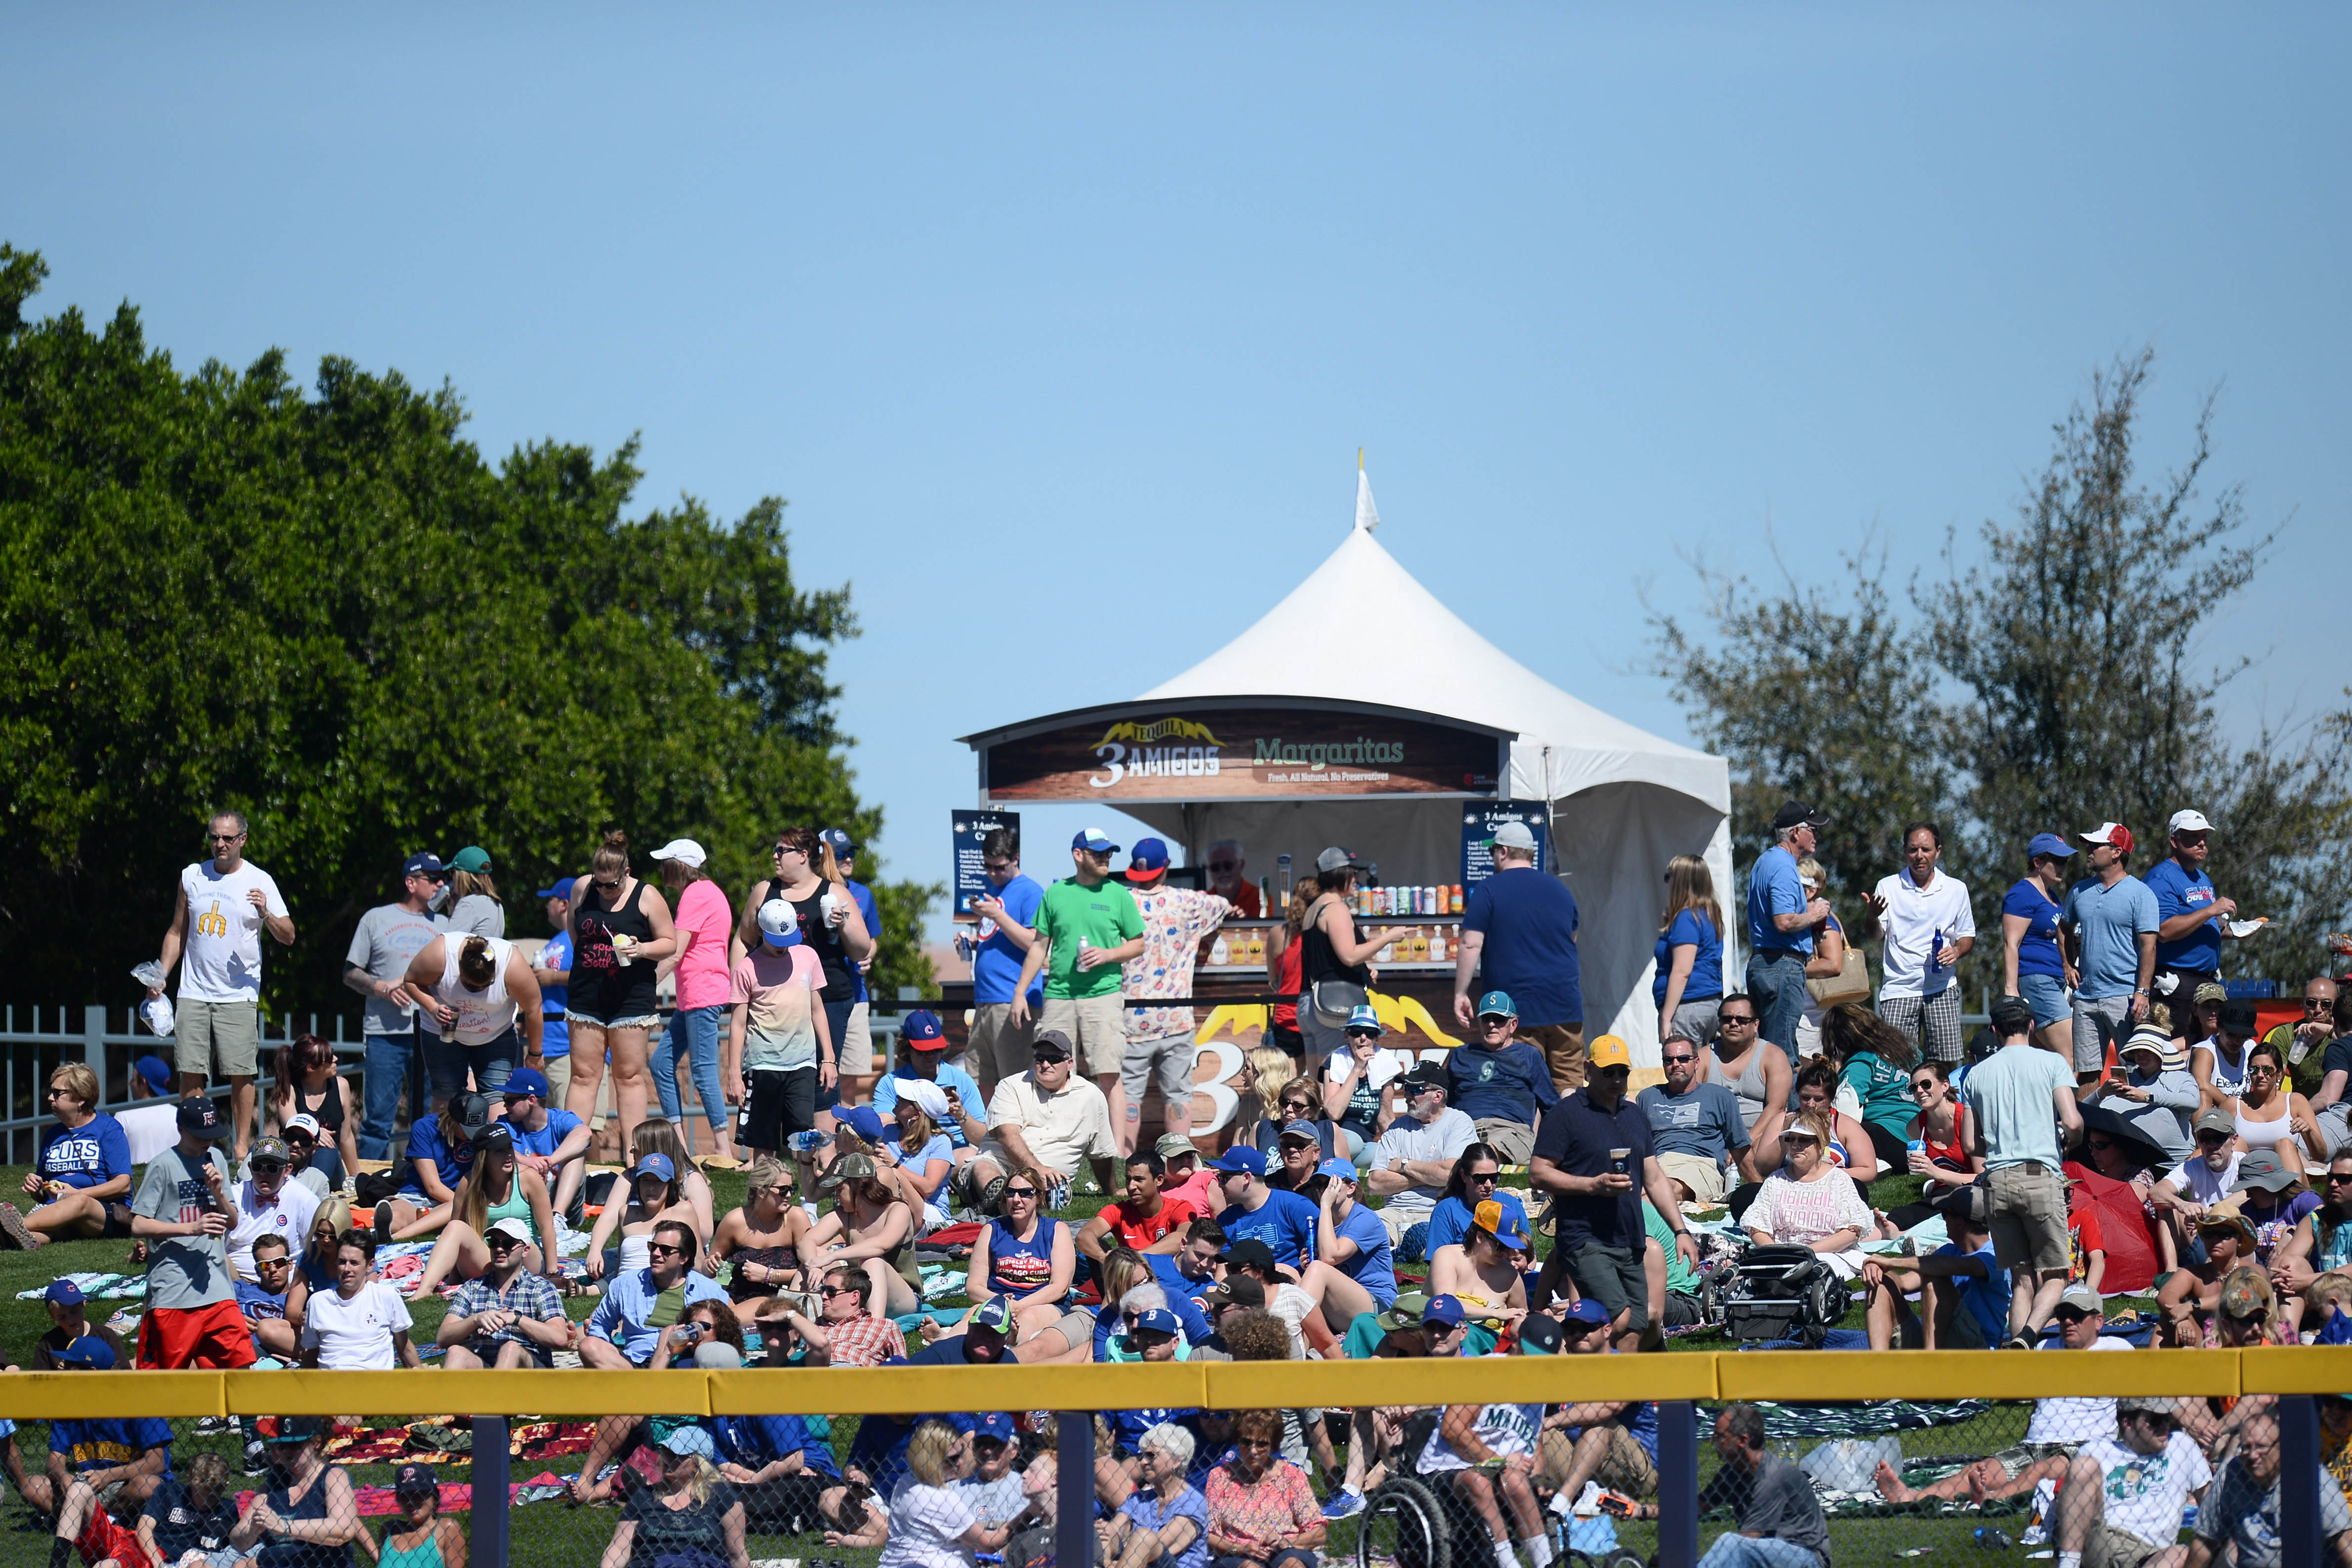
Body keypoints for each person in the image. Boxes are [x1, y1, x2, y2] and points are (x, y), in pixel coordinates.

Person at [1529, 1034, 1699, 1352]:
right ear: (1588, 1070)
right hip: (1584, 1238)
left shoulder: (1634, 1116)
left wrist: (1681, 1230)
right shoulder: (1566, 1114)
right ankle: (1566, 1371)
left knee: (1637, 1322)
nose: (1617, 1079)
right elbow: (1538, 1173)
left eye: (1622, 1072)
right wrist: (1591, 1185)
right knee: (1618, 1317)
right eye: (1609, 1072)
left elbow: (1656, 1179)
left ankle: (1624, 1396)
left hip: (1629, 1239)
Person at [150, 810, 295, 1165]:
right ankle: (195, 1146)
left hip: (238, 994)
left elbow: (289, 935)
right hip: (194, 990)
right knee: (191, 1069)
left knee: (240, 1071)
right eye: (215, 837)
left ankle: (241, 1149)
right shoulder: (192, 876)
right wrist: (161, 973)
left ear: (243, 840)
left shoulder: (259, 880)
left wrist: (265, 913)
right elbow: (176, 931)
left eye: (228, 839)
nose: (220, 845)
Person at [1962, 994, 2083, 1348]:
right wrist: (2069, 1141)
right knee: (2057, 1275)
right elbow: (2073, 1120)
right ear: (2032, 1026)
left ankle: (2018, 1361)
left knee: (2021, 1279)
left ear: (1995, 1030)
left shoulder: (1976, 1075)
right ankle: (2028, 1337)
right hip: (2038, 1175)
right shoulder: (2052, 1063)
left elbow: (1971, 1144)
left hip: (1997, 1181)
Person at [1008, 827, 1147, 1133]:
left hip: (1104, 995)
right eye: (1099, 853)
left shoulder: (1118, 893)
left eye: (1109, 853)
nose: (1106, 859)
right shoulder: (1055, 893)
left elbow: (1138, 944)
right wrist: (1020, 992)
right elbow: (1038, 946)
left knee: (1109, 1075)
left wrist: (1108, 954)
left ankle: (1116, 1157)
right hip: (1059, 994)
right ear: (1078, 855)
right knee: (1049, 1073)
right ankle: (1051, 1145)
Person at [565, 831, 680, 1160]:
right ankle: (571, 1158)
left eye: (611, 885)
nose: (603, 891)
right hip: (586, 996)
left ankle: (635, 1158)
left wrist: (641, 948)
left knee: (628, 1077)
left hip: (631, 998)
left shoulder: (647, 896)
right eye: (599, 884)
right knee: (584, 1077)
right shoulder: (582, 889)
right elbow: (577, 932)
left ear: (626, 873)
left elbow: (669, 943)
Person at [1454, 821, 1585, 1095]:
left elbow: (1470, 943)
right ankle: (1573, 1136)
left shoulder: (1488, 890)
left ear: (1503, 852)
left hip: (1516, 1009)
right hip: (1565, 1004)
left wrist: (1461, 993)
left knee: (1523, 1087)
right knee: (1570, 1089)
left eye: (1494, 853)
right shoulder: (1561, 890)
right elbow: (1571, 939)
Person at [1117, 836, 1230, 1153]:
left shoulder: (1122, 903)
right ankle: (1176, 1161)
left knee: (1129, 1097)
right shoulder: (1187, 903)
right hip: (1176, 1018)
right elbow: (1222, 905)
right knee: (1178, 1096)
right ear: (1165, 868)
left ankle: (1124, 1160)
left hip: (1131, 1020)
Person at [131, 1095, 254, 1370]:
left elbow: (232, 1221)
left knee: (241, 1364)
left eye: (211, 1135)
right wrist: (191, 1229)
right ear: (181, 1130)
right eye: (200, 1135)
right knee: (164, 1378)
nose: (206, 1142)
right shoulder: (163, 1165)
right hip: (174, 1289)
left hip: (217, 1288)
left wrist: (218, 1193)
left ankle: (243, 1415)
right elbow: (138, 1224)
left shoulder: (217, 1159)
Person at [1624, 1404, 1826, 1568]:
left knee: (1732, 1544)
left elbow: (1749, 1541)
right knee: (1665, 1563)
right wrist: (1639, 1510)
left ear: (1743, 1441)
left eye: (1719, 1436)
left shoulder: (1773, 1477)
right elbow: (1693, 1510)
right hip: (1764, 1554)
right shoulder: (1732, 1472)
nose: (1712, 1440)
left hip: (1805, 1557)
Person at [344, 853, 446, 1162]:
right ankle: (367, 1186)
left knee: (434, 1117)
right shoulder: (376, 918)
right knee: (377, 1120)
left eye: (442, 878)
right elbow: (350, 972)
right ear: (411, 883)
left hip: (432, 1031)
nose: (440, 884)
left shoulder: (446, 924)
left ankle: (430, 1178)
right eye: (432, 878)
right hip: (385, 1032)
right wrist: (380, 987)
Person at [728, 897, 836, 1163]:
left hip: (802, 1063)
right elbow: (738, 1024)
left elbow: (817, 1010)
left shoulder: (808, 956)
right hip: (763, 1064)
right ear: (762, 932)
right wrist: (733, 1074)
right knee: (763, 1141)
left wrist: (830, 1059)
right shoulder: (746, 968)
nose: (784, 947)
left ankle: (808, 1203)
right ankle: (763, 1198)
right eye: (777, 940)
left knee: (803, 1134)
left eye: (789, 939)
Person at [1857, 822, 1976, 1065]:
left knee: (1945, 1066)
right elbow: (1875, 934)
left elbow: (1968, 936)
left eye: (1926, 849)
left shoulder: (1955, 889)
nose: (1919, 856)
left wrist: (1956, 951)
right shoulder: (1888, 886)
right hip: (1899, 989)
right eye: (1913, 850)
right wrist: (1871, 916)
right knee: (1895, 1065)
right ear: (1905, 852)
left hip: (1941, 987)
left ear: (1938, 851)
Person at [962, 1031, 1120, 1211]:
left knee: (1048, 1187)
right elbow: (1007, 1135)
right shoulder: (1011, 1086)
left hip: (1051, 1180)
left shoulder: (1091, 1096)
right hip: (1001, 1166)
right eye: (1040, 1058)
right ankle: (1001, 1198)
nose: (1046, 1064)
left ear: (1070, 1064)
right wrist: (1037, 1169)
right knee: (982, 1168)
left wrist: (1112, 1190)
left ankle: (1012, 1199)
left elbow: (1101, 1153)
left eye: (1054, 1059)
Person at [2050, 1395, 2212, 1568]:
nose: (2165, 1426)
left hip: (2148, 1553)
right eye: (2155, 1420)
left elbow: (2210, 1501)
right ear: (2128, 1424)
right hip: (2098, 1538)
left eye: (2167, 1418)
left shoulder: (2181, 1446)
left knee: (2180, 1554)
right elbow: (2068, 1515)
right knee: (2084, 1466)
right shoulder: (2096, 1451)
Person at [652, 838, 738, 1162]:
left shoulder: (696, 894)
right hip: (695, 995)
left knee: (703, 1070)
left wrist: (645, 985)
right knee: (660, 1063)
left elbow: (675, 951)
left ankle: (722, 1148)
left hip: (703, 992)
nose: (661, 869)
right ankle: (680, 1146)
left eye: (666, 862)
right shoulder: (704, 892)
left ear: (681, 867)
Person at [410, 1122, 560, 1297]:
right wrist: (454, 1277)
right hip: (488, 1259)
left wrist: (552, 1272)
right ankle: (425, 1290)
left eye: (509, 1148)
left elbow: (547, 1227)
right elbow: (456, 1236)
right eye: (499, 1151)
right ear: (484, 1157)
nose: (508, 1155)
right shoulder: (469, 1184)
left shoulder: (529, 1179)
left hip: (525, 1258)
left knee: (518, 1236)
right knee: (455, 1226)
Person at [2188, 1407, 2352, 1567]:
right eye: (2246, 1447)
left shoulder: (2312, 1479)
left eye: (2261, 1447)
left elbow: (2346, 1541)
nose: (2252, 1455)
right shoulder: (2230, 1474)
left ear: (2281, 1447)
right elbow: (2204, 1542)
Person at [2062, 822, 2161, 1085]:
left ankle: (2131, 1126)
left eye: (2096, 846)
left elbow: (2149, 946)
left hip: (2125, 997)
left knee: (2133, 1070)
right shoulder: (2079, 891)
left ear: (2117, 852)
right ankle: (2088, 1127)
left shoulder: (2141, 894)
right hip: (2085, 997)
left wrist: (2142, 992)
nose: (2090, 851)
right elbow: (2064, 928)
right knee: (2086, 1073)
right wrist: (2068, 965)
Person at [401, 925, 544, 1103]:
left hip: (496, 1036)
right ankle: (444, 1131)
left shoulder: (512, 964)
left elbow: (534, 1008)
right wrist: (433, 1007)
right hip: (443, 1035)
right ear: (459, 967)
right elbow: (410, 980)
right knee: (447, 1097)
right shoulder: (441, 954)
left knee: (498, 1097)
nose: (476, 991)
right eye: (469, 985)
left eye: (484, 986)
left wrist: (535, 1054)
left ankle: (494, 1131)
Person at [0, 1064, 132, 1250]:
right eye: (50, 1091)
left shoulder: (109, 1129)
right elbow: (43, 1195)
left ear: (81, 1098)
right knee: (45, 1232)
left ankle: (15, 1226)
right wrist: (37, 1187)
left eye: (57, 1093)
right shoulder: (52, 1135)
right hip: (59, 1211)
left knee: (80, 1202)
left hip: (100, 1211)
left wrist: (76, 1193)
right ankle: (12, 1240)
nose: (50, 1098)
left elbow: (123, 1184)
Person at [1862, 1184, 2009, 1350]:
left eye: (1945, 1215)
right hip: (1944, 1340)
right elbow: (1904, 1283)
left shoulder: (1995, 1256)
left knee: (1935, 1280)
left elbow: (1954, 1266)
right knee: (1881, 1283)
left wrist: (1891, 1262)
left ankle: (1931, 1361)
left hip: (1978, 1350)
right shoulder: (1949, 1252)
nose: (1943, 1220)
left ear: (1960, 1223)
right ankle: (1877, 1365)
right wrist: (1877, 1269)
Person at [1297, 848, 1409, 1064]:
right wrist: (1388, 937)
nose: (1357, 880)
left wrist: (1364, 969)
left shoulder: (1314, 909)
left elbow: (1326, 956)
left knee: (1315, 1085)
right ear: (1341, 875)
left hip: (1309, 1004)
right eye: (1353, 873)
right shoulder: (1335, 908)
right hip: (1332, 1007)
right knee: (1334, 1083)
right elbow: (1349, 956)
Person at [1744, 801, 1834, 1057]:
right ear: (1796, 832)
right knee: (1782, 1056)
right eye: (1813, 830)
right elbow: (1784, 921)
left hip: (1765, 963)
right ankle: (1783, 1100)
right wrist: (1814, 914)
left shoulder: (1765, 861)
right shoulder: (1784, 866)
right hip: (1782, 967)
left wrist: (1808, 928)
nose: (1817, 836)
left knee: (1767, 1052)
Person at [2147, 809, 2246, 1039]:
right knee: (2178, 1048)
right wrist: (2211, 910)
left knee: (2206, 1046)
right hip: (2179, 983)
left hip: (2207, 979)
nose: (2201, 843)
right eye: (2193, 837)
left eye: (2204, 837)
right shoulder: (2162, 878)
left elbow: (2206, 926)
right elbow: (2164, 930)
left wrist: (2234, 932)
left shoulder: (2202, 877)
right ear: (2175, 840)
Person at [580, 1218, 729, 1369]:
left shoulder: (709, 1290)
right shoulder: (626, 1284)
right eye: (653, 1247)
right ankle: (643, 1383)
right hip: (636, 1362)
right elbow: (600, 1325)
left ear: (684, 1257)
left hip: (686, 1363)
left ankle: (639, 1387)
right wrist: (609, 1349)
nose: (656, 1254)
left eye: (665, 1250)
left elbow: (727, 1332)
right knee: (589, 1346)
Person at [963, 828, 1045, 1098]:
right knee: (981, 1077)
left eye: (999, 867)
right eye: (987, 866)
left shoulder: (1030, 891)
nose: (993, 873)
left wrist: (998, 915)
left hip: (1012, 998)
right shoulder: (993, 890)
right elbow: (1000, 938)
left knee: (1016, 1082)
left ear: (1016, 858)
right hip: (984, 999)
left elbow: (1035, 943)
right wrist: (973, 943)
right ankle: (991, 1138)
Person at [1742, 1111, 1873, 1280]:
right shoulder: (1775, 1180)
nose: (1796, 1145)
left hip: (1826, 1254)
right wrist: (1778, 1254)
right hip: (1781, 1256)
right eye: (1791, 1139)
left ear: (1822, 1144)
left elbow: (1852, 1231)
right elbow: (1757, 1228)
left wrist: (1808, 1252)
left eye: (1804, 1140)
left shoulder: (1839, 1180)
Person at [436, 1214, 576, 1368]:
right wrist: (475, 1320)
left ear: (525, 1250)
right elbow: (443, 1338)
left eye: (508, 1244)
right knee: (456, 1352)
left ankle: (498, 1392)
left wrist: (517, 1319)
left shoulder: (541, 1288)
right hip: (485, 1364)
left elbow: (559, 1338)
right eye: (494, 1243)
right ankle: (447, 1393)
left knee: (511, 1349)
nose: (499, 1249)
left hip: (530, 1368)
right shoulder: (472, 1288)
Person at [601, 1426, 751, 1568]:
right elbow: (619, 1547)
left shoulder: (721, 1496)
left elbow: (737, 1555)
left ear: (698, 1463)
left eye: (678, 1455)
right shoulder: (644, 1495)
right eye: (666, 1451)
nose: (668, 1458)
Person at [1362, 1062, 1478, 1246]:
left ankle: (1403, 1249)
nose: (1407, 1095)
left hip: (1436, 1211)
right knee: (1362, 1237)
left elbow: (1450, 1174)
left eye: (1415, 1089)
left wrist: (1404, 1165)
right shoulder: (1397, 1128)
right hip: (1393, 1212)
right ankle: (1395, 1248)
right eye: (1407, 1088)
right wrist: (1431, 1176)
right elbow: (1375, 1184)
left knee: (1432, 1245)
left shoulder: (1459, 1123)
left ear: (1437, 1096)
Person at [1442, 992, 1558, 1166]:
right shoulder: (1462, 1054)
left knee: (1481, 1155)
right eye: (1486, 1019)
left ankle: (1468, 1163)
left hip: (1511, 1130)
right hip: (1465, 1127)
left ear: (1513, 1025)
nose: (1491, 1024)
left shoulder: (1529, 1055)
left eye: (1499, 1019)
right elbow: (1445, 1102)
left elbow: (1551, 1106)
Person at [229, 1417, 361, 1568]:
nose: (286, 1452)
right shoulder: (272, 1486)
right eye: (281, 1446)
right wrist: (252, 1531)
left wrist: (285, 1527)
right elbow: (237, 1540)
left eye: (294, 1445)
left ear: (316, 1443)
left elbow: (344, 1529)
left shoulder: (333, 1477)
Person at [1638, 1033, 1753, 1206]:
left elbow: (1740, 1148)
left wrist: (1759, 1189)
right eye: (1669, 1060)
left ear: (1697, 1063)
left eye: (1683, 1059)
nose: (1675, 1064)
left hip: (1701, 1165)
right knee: (1638, 1188)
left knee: (1666, 1188)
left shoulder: (1719, 1097)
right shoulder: (1648, 1097)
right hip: (1658, 1162)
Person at [877, 1420, 1009, 1568]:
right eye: (951, 1460)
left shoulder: (906, 1481)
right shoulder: (940, 1499)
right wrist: (1026, 1514)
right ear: (932, 1460)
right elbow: (989, 1543)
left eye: (961, 1453)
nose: (960, 1463)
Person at [807, 1154, 924, 1318]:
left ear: (859, 1186)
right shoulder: (844, 1214)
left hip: (904, 1300)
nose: (836, 1196)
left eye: (840, 1189)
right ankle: (794, 1316)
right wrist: (815, 1266)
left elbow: (882, 1245)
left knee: (872, 1261)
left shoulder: (897, 1210)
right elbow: (807, 1241)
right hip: (860, 1293)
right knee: (816, 1255)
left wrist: (833, 1256)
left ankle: (875, 1329)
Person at [1203, 1410, 1324, 1568]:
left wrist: (1286, 1542)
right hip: (1236, 1554)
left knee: (1293, 1565)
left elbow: (1319, 1533)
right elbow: (1210, 1536)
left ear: (1273, 1445)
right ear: (1238, 1441)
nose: (1253, 1451)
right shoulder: (1220, 1477)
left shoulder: (1291, 1476)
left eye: (1261, 1444)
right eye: (1246, 1442)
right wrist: (1240, 1549)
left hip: (1285, 1549)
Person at [820, 828, 884, 1113]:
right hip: (820, 998)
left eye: (851, 853)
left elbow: (872, 940)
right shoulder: (813, 892)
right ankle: (814, 1151)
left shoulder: (863, 894)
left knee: (849, 1081)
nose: (848, 859)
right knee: (817, 1082)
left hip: (856, 997)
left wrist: (869, 955)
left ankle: (843, 1151)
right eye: (841, 854)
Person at [2003, 833, 2081, 1064]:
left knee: (2044, 1061)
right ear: (2037, 862)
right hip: (2037, 981)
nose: (2063, 866)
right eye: (2056, 860)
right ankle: (2071, 1102)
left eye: (2065, 861)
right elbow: (2011, 944)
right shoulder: (2022, 894)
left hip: (2055, 980)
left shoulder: (2052, 896)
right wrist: (2011, 991)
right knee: (2072, 1055)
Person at [1293, 1161, 1397, 1331]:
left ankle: (1290, 1330)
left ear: (1351, 1188)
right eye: (1319, 1185)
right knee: (1287, 1272)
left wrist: (1325, 1206)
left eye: (1330, 1184)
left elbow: (1331, 1257)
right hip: (1339, 1306)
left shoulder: (1366, 1219)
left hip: (1376, 1305)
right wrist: (1307, 1267)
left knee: (1318, 1269)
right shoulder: (1322, 1224)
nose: (1323, 1190)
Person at [1820, 1001, 1922, 1169]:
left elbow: (1845, 1110)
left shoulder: (1861, 1063)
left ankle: (1874, 1164)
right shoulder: (1911, 1051)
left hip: (1885, 1138)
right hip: (1920, 1139)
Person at [299, 1229, 420, 1369]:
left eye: (354, 1263)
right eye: (342, 1262)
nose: (346, 1269)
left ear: (370, 1265)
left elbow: (405, 1348)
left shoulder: (386, 1296)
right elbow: (311, 1354)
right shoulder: (318, 1302)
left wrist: (423, 1385)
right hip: (332, 1386)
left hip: (375, 1385)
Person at [375, 1091, 485, 1243]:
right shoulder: (425, 1128)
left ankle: (395, 1238)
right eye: (466, 1129)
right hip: (419, 1196)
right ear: (453, 1119)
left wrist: (466, 1205)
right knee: (397, 1217)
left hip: (458, 1200)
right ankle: (387, 1229)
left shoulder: (486, 1133)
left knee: (457, 1204)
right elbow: (433, 1187)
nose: (470, 1136)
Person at [2085, 1024, 2199, 1165]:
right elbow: (2083, 1112)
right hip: (2127, 1165)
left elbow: (2193, 1102)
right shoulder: (2126, 1080)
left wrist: (2147, 1097)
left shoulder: (2181, 1078)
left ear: (2161, 1052)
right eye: (2137, 1050)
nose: (2141, 1054)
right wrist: (2101, 1093)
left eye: (2147, 1050)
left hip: (2172, 1166)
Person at [872, 1010, 986, 1151]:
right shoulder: (892, 1082)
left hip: (953, 1153)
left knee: (968, 1154)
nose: (930, 1055)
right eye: (922, 1051)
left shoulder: (962, 1080)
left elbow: (982, 1139)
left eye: (935, 1049)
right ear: (907, 1048)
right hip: (907, 1153)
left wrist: (961, 1115)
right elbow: (883, 1127)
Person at [1103, 1422, 1210, 1568]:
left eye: (1151, 1455)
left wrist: (1110, 1564)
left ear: (1177, 1461)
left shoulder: (1194, 1503)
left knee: (1144, 1539)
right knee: (1103, 1531)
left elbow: (1150, 1550)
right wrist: (1105, 1533)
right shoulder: (1140, 1498)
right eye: (1142, 1456)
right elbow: (1115, 1529)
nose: (1143, 1462)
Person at [588, 1150, 701, 1284]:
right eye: (645, 1181)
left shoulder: (683, 1211)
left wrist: (713, 1268)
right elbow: (621, 1265)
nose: (651, 1188)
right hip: (624, 1290)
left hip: (662, 1289)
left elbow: (698, 1263)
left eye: (658, 1182)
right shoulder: (626, 1213)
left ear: (669, 1186)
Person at [711, 1156, 812, 1303]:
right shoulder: (735, 1221)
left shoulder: (796, 1218)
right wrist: (711, 1268)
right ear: (761, 1191)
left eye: (792, 1189)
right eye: (783, 1190)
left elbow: (811, 1269)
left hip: (781, 1301)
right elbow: (722, 1267)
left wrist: (770, 1275)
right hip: (736, 1299)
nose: (789, 1195)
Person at [1654, 852, 1728, 1048]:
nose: (1666, 882)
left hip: (1687, 1007)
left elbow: (1682, 971)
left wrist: (1667, 1018)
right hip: (1708, 1003)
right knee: (1700, 1069)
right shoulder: (1709, 916)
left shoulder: (1687, 918)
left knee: (1682, 1071)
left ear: (1680, 882)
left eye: (1669, 876)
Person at [1081, 1150, 1205, 1264]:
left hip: (1168, 1280)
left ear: (1159, 1180)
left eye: (1139, 1180)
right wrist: (1104, 1258)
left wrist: (1134, 1257)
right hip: (1129, 1278)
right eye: (1128, 1179)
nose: (1131, 1186)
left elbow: (1184, 1238)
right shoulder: (1118, 1211)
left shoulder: (1179, 1208)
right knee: (1099, 1246)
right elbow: (1084, 1236)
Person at [774, 1264, 909, 1368]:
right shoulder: (813, 1326)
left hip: (852, 1377)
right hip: (812, 1377)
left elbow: (902, 1370)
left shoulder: (884, 1326)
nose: (823, 1296)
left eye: (831, 1291)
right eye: (822, 1290)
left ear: (854, 1297)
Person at [268, 1034, 358, 1190]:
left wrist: (357, 1177)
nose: (336, 1059)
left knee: (327, 1150)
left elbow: (346, 1137)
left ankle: (307, 1197)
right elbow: (297, 1133)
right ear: (311, 1068)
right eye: (329, 1058)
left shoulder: (341, 1086)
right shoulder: (289, 1090)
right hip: (295, 1165)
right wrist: (316, 1133)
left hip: (329, 1165)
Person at [500, 1065, 590, 1220]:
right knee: (499, 1155)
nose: (505, 1106)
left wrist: (550, 1162)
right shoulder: (505, 1123)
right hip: (526, 1195)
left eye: (510, 1101)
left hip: (561, 1195)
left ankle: (558, 1218)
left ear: (531, 1100)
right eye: (505, 1100)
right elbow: (493, 1145)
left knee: (576, 1155)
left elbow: (585, 1134)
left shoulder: (560, 1119)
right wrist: (528, 1161)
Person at [225, 1136, 320, 1281]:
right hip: (238, 1280)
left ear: (287, 1170)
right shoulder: (235, 1196)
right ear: (250, 1168)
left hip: (286, 1285)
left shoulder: (304, 1199)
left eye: (272, 1168)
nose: (264, 1173)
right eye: (258, 1167)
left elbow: (317, 1248)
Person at [1213, 1147, 1320, 1272]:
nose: (1219, 1185)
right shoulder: (1226, 1219)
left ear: (1247, 1177)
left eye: (1224, 1178)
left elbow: (1324, 1250)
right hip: (1247, 1287)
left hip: (1291, 1285)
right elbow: (1223, 1272)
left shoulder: (1296, 1206)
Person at [1703, 996, 1791, 1144]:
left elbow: (1777, 1107)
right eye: (1727, 1019)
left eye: (1742, 1020)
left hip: (1761, 1140)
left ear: (1756, 1025)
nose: (1733, 1023)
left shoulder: (1773, 1056)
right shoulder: (1704, 1056)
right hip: (1713, 1140)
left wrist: (1744, 1143)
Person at [2227, 1037, 2325, 1167]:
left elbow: (2321, 1155)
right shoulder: (2234, 1105)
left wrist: (2309, 1131)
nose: (2261, 1075)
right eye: (2254, 1069)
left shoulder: (2296, 1102)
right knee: (2237, 1144)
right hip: (2246, 1173)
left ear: (2279, 1074)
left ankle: (2294, 1188)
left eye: (2267, 1070)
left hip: (2285, 1173)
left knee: (2285, 1144)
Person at [136, 1451, 240, 1568]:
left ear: (226, 1486)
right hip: (160, 1553)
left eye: (212, 1496)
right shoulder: (170, 1493)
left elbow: (234, 1548)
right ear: (189, 1479)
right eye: (199, 1494)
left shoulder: (228, 1510)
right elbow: (144, 1527)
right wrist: (159, 1564)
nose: (205, 1502)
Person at [1900, 1059, 1983, 1201]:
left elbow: (1983, 1179)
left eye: (1926, 1084)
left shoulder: (1967, 1120)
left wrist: (1935, 1172)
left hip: (1974, 1192)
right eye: (1914, 1088)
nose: (1919, 1091)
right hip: (1942, 1192)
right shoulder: (1915, 1129)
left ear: (1945, 1085)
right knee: (1903, 1216)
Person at [1425, 1146, 1528, 1257]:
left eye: (1494, 1178)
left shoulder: (1512, 1205)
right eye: (1480, 1179)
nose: (1488, 1185)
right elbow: (1438, 1264)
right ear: (1463, 1176)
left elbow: (1530, 1257)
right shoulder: (1446, 1211)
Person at [530, 874, 578, 1095]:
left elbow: (595, 976)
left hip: (569, 1046)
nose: (547, 905)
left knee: (572, 1121)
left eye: (550, 899)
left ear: (564, 904)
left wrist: (554, 978)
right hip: (548, 1046)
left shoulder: (579, 937)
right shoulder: (556, 941)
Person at [1264, 880, 1321, 1063]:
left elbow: (1274, 981)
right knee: (1319, 1084)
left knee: (1287, 1086)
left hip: (1286, 1017)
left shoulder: (1277, 934)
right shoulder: (1322, 933)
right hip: (1318, 1015)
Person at [372, 1465, 467, 1568]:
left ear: (434, 1497)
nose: (411, 1501)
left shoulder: (447, 1529)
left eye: (419, 1494)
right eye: (405, 1495)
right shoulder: (389, 1529)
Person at [30, 1278, 128, 1371]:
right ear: (53, 1316)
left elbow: (126, 1375)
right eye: (62, 1317)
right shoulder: (48, 1344)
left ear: (83, 1304)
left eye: (74, 1312)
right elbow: (38, 1382)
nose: (70, 1320)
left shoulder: (106, 1336)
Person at [2193, 996, 2262, 1116]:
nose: (2238, 1041)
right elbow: (2202, 1083)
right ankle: (2203, 1135)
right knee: (2203, 1096)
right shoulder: (2205, 1050)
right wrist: (2238, 1109)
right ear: (2219, 1027)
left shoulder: (2250, 1047)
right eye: (2232, 1035)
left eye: (2244, 1036)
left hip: (2240, 1115)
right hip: (2213, 1117)